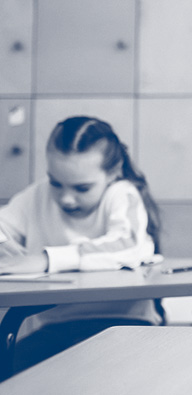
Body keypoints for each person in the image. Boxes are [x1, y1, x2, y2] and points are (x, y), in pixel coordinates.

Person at [0, 115, 163, 372]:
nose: (66, 199)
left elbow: (128, 244)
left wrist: (45, 259)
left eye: (82, 188)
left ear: (113, 172)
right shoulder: (37, 196)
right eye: (56, 183)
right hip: (54, 330)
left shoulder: (121, 193)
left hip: (126, 325)